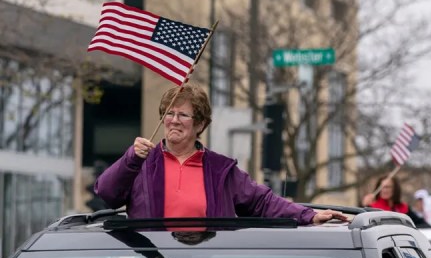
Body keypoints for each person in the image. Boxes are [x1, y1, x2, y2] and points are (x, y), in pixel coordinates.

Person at [94, 84, 347, 225]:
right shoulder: (141, 162)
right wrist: (131, 159)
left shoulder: (220, 169)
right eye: (168, 114)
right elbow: (106, 193)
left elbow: (262, 201)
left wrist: (309, 215)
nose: (173, 121)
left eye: (183, 115)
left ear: (200, 124)